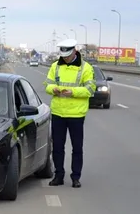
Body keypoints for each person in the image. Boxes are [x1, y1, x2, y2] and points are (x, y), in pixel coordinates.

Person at [43, 39, 96, 188]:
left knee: (77, 148)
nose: (65, 58)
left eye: (67, 55)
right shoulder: (55, 66)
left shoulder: (86, 68)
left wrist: (72, 92)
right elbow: (47, 84)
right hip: (58, 112)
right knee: (58, 147)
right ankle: (58, 175)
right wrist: (53, 89)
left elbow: (90, 90)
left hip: (76, 114)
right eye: (63, 55)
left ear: (74, 51)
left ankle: (76, 177)